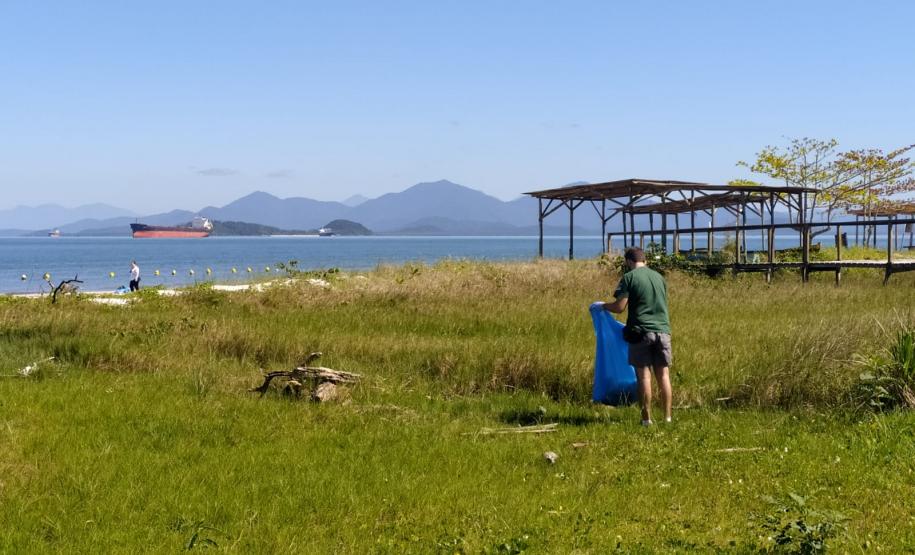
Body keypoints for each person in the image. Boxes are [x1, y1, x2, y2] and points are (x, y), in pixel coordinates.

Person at [603, 247, 672, 425]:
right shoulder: (659, 278)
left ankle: (646, 419)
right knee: (664, 376)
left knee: (644, 377)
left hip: (641, 332)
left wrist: (603, 306)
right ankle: (667, 418)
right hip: (663, 331)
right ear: (645, 260)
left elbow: (619, 307)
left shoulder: (629, 277)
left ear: (628, 262)